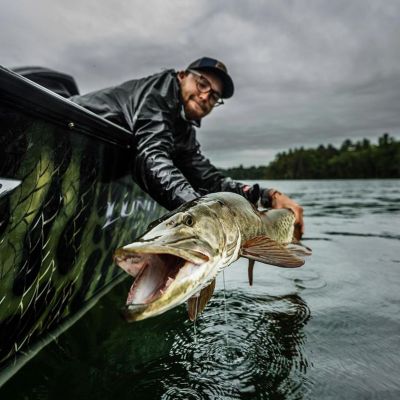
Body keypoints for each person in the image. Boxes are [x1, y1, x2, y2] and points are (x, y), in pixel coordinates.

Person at [70, 57, 304, 239]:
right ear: (182, 76)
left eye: (214, 96)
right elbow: (151, 155)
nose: (205, 96)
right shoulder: (158, 94)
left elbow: (211, 181)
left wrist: (266, 195)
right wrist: (204, 213)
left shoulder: (183, 131)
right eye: (202, 83)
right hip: (65, 138)